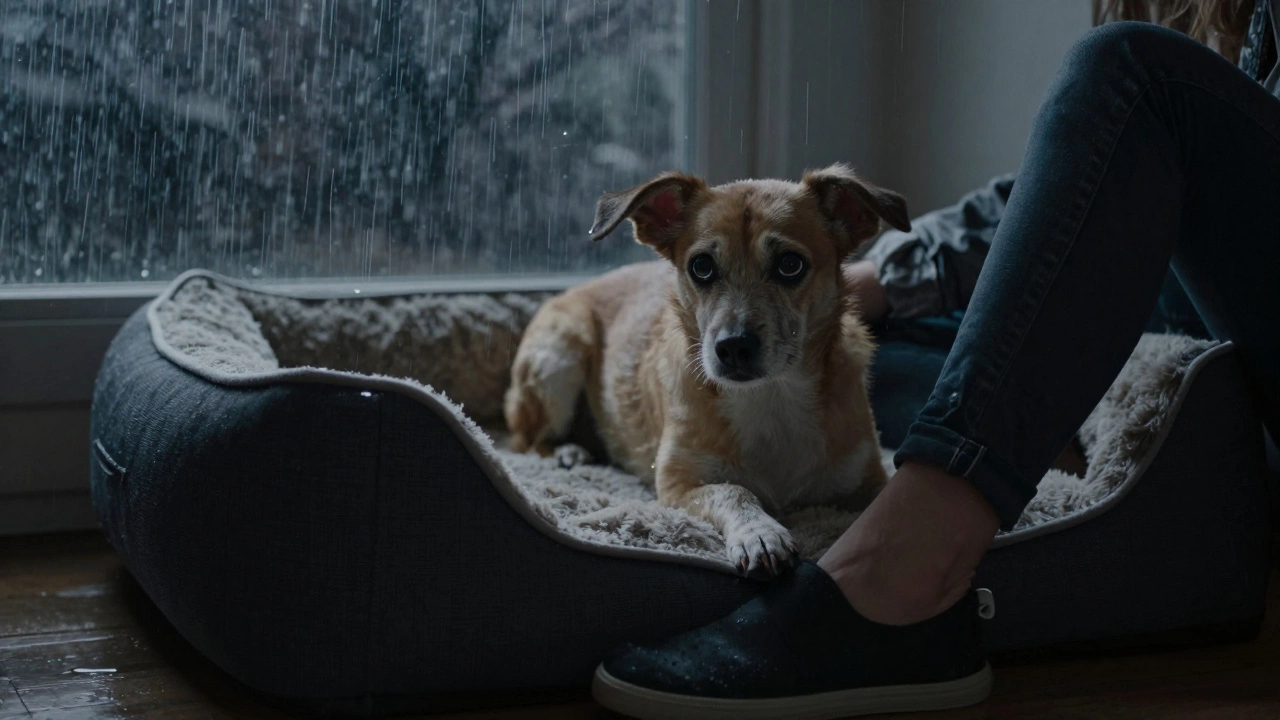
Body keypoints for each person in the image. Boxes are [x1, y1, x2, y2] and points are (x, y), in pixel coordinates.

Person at [590, 1, 1280, 718]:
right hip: (1190, 301)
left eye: (788, 268)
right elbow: (1106, 173)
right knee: (909, 331)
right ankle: (1010, 447)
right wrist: (889, 279)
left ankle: (903, 575)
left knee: (1129, 68)